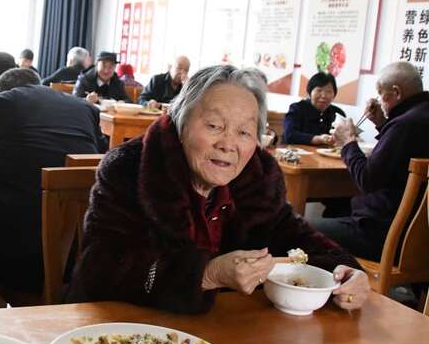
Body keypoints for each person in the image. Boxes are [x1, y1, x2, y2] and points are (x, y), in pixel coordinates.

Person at [67, 64, 370, 313]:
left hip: (224, 336)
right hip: (122, 331)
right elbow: (100, 271)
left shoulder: (257, 179)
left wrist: (345, 270)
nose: (228, 144)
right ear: (180, 123)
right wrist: (206, 274)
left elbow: (299, 239)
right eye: (214, 126)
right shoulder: (131, 168)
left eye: (244, 132)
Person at [0, 68, 103, 303]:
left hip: (15, 255)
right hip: (81, 251)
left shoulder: (1, 104)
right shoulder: (85, 108)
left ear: (3, 91)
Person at [314, 61, 429, 260]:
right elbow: (397, 160)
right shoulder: (420, 115)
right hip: (418, 239)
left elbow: (366, 179)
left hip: (383, 235)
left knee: (300, 229)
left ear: (396, 92)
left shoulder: (404, 125)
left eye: (380, 94)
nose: (379, 100)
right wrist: (382, 123)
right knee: (336, 209)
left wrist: (348, 141)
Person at [283, 72, 346, 145]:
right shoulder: (297, 108)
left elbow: (344, 138)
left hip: (328, 152)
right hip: (296, 151)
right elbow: (289, 135)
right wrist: (319, 139)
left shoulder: (338, 113)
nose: (324, 95)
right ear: (310, 92)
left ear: (334, 94)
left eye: (328, 91)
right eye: (319, 90)